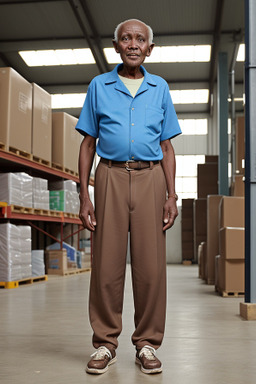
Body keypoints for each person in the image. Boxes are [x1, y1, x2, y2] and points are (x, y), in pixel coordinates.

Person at [75, 18, 181, 375]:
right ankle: (105, 344)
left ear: (149, 48)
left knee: (151, 268)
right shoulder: (99, 86)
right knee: (106, 266)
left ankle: (147, 343)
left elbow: (166, 146)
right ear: (116, 46)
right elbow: (88, 143)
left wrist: (172, 194)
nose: (133, 43)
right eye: (126, 38)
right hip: (110, 177)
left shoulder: (160, 87)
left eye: (140, 39)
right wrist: (84, 194)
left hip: (151, 178)